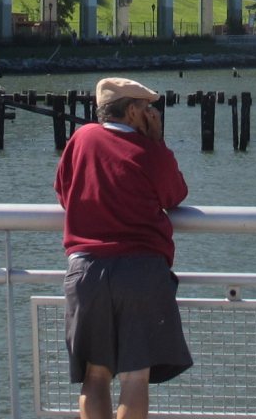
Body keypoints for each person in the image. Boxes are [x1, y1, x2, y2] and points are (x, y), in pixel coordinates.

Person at [55, 77, 191, 419]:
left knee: (95, 375)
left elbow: (63, 191)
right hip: (141, 272)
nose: (152, 115)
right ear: (132, 111)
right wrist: (158, 143)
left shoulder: (82, 138)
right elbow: (175, 195)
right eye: (147, 109)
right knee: (135, 378)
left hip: (87, 270)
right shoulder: (149, 152)